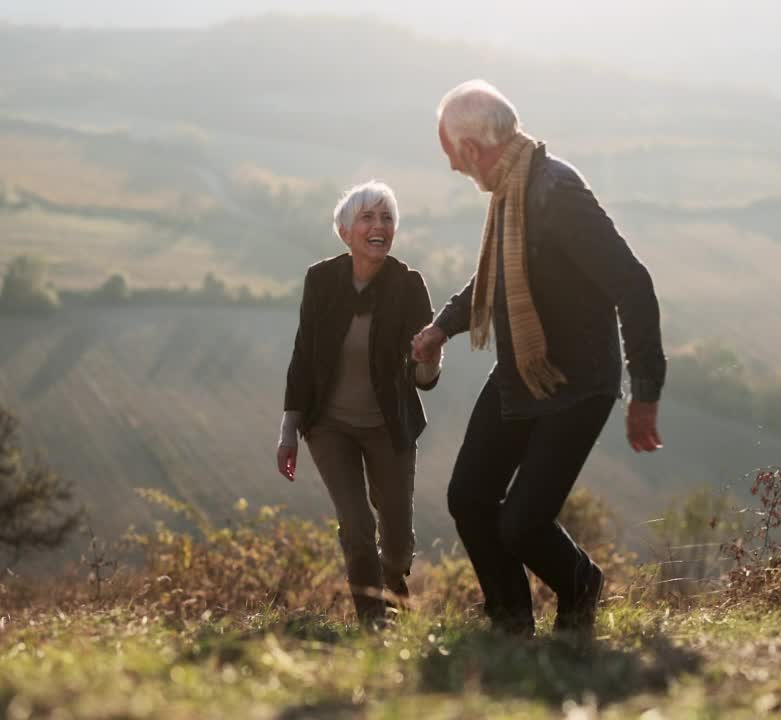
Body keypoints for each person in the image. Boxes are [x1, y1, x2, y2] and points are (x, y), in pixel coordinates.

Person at [412, 79, 667, 639]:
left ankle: (580, 588)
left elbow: (633, 283)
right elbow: (499, 272)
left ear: (473, 149)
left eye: (453, 155)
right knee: (469, 497)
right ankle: (510, 620)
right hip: (523, 375)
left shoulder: (555, 192)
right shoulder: (513, 191)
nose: (455, 169)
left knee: (523, 524)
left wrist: (645, 390)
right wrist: (443, 327)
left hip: (576, 384)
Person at [279, 180, 442, 627]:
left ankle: (394, 584)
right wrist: (288, 430)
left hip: (389, 426)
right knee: (355, 526)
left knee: (396, 539)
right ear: (346, 231)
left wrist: (430, 358)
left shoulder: (409, 285)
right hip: (330, 426)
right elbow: (303, 356)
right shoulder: (321, 280)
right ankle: (374, 621)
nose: (379, 226)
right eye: (368, 217)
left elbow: (423, 378)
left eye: (387, 218)